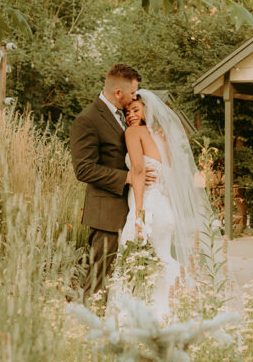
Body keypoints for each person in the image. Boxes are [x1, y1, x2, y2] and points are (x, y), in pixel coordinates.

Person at [112, 90, 211, 320]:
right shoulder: (161, 138)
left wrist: (138, 214)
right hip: (165, 211)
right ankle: (172, 313)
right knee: (163, 259)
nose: (130, 116)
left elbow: (137, 170)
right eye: (127, 112)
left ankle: (137, 319)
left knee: (133, 263)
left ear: (148, 110)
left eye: (135, 110)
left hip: (148, 209)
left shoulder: (133, 132)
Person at [70, 64, 156, 298]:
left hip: (130, 210)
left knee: (124, 281)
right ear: (118, 92)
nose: (135, 97)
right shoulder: (87, 119)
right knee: (99, 280)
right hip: (106, 214)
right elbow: (84, 169)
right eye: (132, 93)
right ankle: (86, 329)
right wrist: (127, 177)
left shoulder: (127, 118)